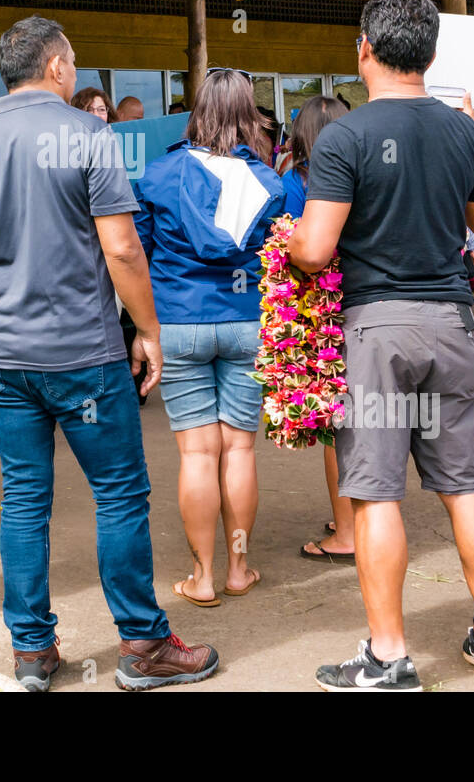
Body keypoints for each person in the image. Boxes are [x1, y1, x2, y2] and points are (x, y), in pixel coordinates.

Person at [0, 15, 218, 692]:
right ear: (55, 67)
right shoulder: (87, 133)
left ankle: (31, 652)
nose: (76, 72)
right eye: (74, 61)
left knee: (25, 498)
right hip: (83, 352)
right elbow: (121, 246)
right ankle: (142, 645)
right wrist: (149, 329)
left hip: (3, 352)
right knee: (118, 494)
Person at [289, 0, 474, 691]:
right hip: (452, 323)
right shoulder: (461, 132)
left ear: (363, 48)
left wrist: (292, 242)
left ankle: (388, 656)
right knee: (464, 483)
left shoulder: (345, 137)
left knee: (376, 492)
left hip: (379, 328)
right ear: (432, 52)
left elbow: (316, 249)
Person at [134, 69, 284, 606]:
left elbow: (139, 256)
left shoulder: (160, 173)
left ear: (196, 112)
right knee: (239, 448)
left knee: (198, 454)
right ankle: (238, 567)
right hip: (248, 321)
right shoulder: (270, 182)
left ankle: (201, 576)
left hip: (178, 321)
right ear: (250, 115)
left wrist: (142, 329)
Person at [276, 95, 356, 561]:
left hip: (321, 311)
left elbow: (291, 244)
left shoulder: (294, 183)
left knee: (335, 420)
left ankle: (346, 529)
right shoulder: (364, 173)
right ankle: (353, 510)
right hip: (365, 300)